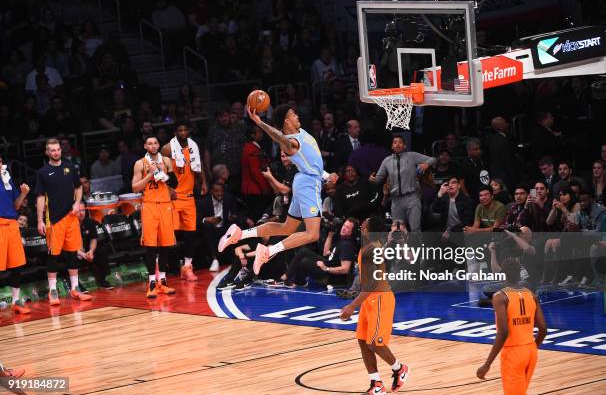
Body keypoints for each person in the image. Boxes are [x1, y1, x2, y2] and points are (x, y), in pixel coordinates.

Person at [218, 104, 339, 275]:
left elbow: (312, 160)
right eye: (293, 115)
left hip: (304, 180)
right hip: (308, 185)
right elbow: (278, 136)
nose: (297, 116)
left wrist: (327, 176)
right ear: (286, 121)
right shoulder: (291, 143)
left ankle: (240, 234)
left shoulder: (301, 132)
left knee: (287, 228)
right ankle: (269, 251)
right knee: (312, 234)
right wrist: (260, 122)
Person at [340, 216, 409, 395]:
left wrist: (352, 306)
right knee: (363, 341)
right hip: (369, 299)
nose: (361, 225)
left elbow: (372, 284)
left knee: (375, 343)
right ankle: (376, 383)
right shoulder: (369, 247)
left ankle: (399, 368)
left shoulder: (374, 250)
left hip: (380, 299)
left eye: (364, 224)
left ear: (368, 230)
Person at [477, 259, 547, 395]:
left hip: (513, 354)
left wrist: (487, 364)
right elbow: (543, 329)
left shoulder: (499, 297)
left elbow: (503, 332)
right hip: (531, 351)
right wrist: (531, 347)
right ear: (520, 273)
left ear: (503, 274)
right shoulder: (532, 295)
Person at [36, 139, 92, 305]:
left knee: (72, 253)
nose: (56, 152)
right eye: (52, 150)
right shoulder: (43, 172)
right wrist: (39, 220)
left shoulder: (69, 166)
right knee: (53, 255)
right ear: (47, 153)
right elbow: (39, 197)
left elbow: (79, 187)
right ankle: (53, 291)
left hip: (71, 217)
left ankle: (75, 288)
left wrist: (77, 203)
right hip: (54, 219)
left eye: (58, 149)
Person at [132, 136, 178, 298]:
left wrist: (164, 173)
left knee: (165, 244)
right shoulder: (140, 163)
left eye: (155, 143)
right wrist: (149, 175)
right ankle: (152, 282)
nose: (153, 145)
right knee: (150, 245)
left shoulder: (165, 160)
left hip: (165, 205)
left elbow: (175, 183)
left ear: (159, 145)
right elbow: (135, 187)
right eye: (149, 143)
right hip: (149, 206)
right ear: (145, 146)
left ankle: (163, 281)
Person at [161, 122, 207, 282]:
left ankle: (187, 267)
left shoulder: (193, 146)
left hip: (188, 197)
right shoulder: (167, 148)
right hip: (173, 197)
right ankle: (169, 267)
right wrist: (167, 188)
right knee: (170, 235)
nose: (182, 132)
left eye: (185, 129)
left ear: (188, 130)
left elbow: (199, 167)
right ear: (175, 132)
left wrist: (204, 182)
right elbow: (159, 170)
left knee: (190, 234)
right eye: (180, 130)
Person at [369, 135, 436, 233]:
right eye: (395, 142)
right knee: (397, 231)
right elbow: (378, 179)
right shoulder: (386, 161)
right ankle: (401, 249)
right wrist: (372, 179)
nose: (397, 144)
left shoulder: (412, 156)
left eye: (400, 142)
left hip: (412, 198)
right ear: (392, 146)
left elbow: (433, 159)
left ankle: (415, 248)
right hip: (396, 200)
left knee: (415, 229)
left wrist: (426, 164)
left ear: (404, 145)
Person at [0, 154, 31, 314]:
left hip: (12, 225)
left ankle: (15, 301)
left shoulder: (7, 178)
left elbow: (16, 205)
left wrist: (23, 194)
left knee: (16, 265)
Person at [76, 202, 113, 290]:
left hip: (87, 249)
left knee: (102, 250)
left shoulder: (90, 222)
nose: (81, 213)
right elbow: (67, 246)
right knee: (70, 256)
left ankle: (102, 280)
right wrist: (82, 254)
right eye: (79, 211)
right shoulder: (69, 224)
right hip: (74, 250)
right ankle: (76, 284)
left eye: (83, 210)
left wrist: (91, 251)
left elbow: (93, 239)